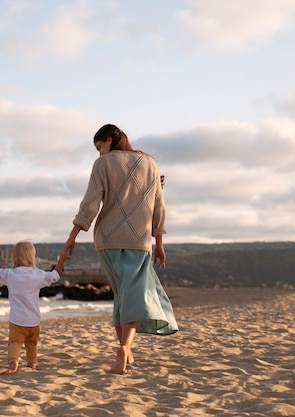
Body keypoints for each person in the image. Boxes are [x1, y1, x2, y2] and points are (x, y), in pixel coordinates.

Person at [62, 123, 178, 375]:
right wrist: (159, 243)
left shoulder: (103, 165)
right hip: (139, 241)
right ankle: (125, 348)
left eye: (99, 146)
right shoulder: (150, 163)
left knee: (121, 295)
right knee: (132, 294)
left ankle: (125, 350)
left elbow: (90, 204)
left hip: (107, 240)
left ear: (109, 140)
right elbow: (159, 206)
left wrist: (71, 238)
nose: (99, 153)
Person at [0, 241, 67, 374]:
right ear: (32, 257)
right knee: (32, 344)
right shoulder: (38, 275)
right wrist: (62, 259)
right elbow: (55, 276)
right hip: (34, 319)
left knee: (14, 342)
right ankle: (32, 364)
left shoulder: (10, 274)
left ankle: (13, 361)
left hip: (17, 320)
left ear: (14, 257)